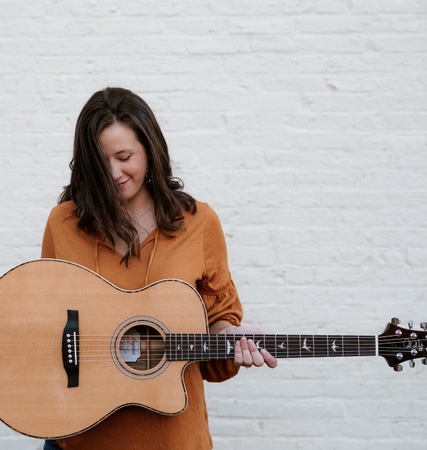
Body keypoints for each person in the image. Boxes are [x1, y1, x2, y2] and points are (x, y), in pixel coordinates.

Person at [41, 87, 277, 450]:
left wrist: (232, 337)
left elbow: (218, 320)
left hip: (172, 438)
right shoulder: (63, 223)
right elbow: (41, 323)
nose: (114, 173)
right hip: (81, 438)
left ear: (150, 150)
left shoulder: (199, 222)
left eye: (124, 156)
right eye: (100, 161)